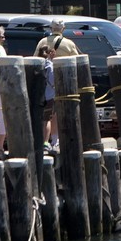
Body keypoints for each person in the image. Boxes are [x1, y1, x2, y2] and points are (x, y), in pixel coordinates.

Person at [34, 20, 78, 148]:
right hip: (64, 81)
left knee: (48, 113)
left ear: (51, 28)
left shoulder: (42, 42)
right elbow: (76, 61)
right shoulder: (69, 43)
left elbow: (36, 59)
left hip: (46, 83)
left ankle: (46, 140)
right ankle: (55, 139)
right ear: (63, 29)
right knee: (58, 112)